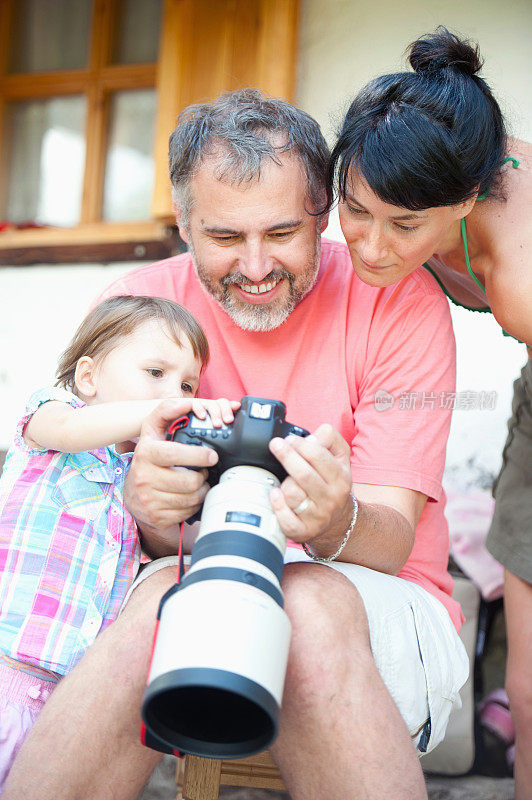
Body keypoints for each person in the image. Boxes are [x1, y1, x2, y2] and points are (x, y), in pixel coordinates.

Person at [3, 90, 468, 800]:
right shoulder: (138, 310)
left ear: (324, 212)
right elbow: (142, 544)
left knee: (304, 599)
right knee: (166, 595)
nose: (255, 267)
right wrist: (155, 511)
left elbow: (392, 541)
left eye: (282, 232)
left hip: (379, 600)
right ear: (183, 223)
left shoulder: (398, 299)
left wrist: (331, 517)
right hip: (196, 589)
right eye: (223, 239)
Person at [327, 27, 531, 798]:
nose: (371, 247)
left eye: (405, 227)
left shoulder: (520, 272)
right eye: (356, 210)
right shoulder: (423, 139)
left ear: (469, 200)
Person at [0, 294, 238, 791]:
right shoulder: (53, 414)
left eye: (187, 384)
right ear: (88, 377)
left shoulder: (141, 473)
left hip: (68, 696)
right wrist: (160, 410)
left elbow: (178, 539)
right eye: (155, 372)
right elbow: (69, 431)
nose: (173, 393)